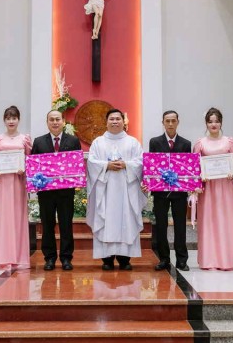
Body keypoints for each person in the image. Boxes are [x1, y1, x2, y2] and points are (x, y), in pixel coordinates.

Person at [86, 108, 146, 270]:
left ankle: (125, 259)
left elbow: (140, 162)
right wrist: (106, 165)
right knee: (105, 220)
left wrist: (126, 164)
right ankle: (107, 260)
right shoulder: (98, 142)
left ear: (123, 122)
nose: (114, 122)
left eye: (118, 119)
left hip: (127, 190)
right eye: (111, 119)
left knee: (127, 219)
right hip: (105, 190)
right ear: (106, 122)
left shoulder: (132, 142)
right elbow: (91, 162)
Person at [31, 109, 82, 271]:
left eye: (57, 119)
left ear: (63, 122)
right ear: (47, 123)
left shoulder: (73, 140)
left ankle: (66, 258)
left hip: (66, 192)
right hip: (46, 192)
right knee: (47, 225)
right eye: (51, 119)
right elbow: (33, 166)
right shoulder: (39, 142)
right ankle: (50, 258)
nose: (55, 122)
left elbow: (77, 164)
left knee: (66, 225)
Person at [192, 108, 233, 271]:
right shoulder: (200, 143)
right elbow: (195, 165)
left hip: (225, 186)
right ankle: (209, 260)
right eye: (210, 121)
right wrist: (201, 174)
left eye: (216, 121)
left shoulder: (230, 142)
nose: (213, 124)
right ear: (206, 123)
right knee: (209, 221)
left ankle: (228, 260)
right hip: (208, 188)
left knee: (226, 220)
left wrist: (232, 169)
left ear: (221, 123)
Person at [0, 106, 32, 270]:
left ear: (19, 119)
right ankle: (2, 257)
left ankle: (18, 257)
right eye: (8, 118)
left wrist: (24, 167)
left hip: (18, 182)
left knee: (17, 216)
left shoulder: (25, 139)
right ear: (4, 120)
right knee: (2, 217)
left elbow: (30, 160)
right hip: (2, 182)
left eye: (14, 118)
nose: (11, 121)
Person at [148, 110, 192, 272]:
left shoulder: (186, 144)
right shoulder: (155, 142)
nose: (171, 124)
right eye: (167, 121)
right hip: (160, 192)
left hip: (179, 192)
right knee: (161, 225)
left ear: (178, 122)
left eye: (173, 121)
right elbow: (152, 166)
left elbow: (187, 168)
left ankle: (182, 259)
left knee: (180, 225)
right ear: (163, 123)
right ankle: (164, 259)